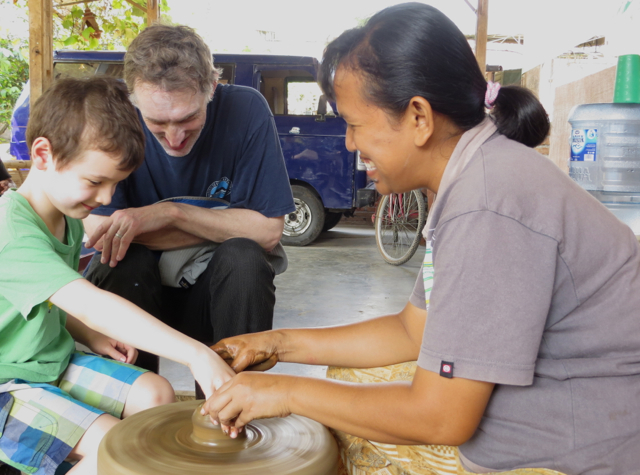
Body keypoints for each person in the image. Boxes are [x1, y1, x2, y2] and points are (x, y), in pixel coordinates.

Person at [203, 3, 640, 475]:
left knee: (337, 417)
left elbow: (442, 417)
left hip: (578, 454)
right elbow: (414, 329)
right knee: (348, 378)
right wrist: (277, 343)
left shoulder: (489, 205)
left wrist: (283, 392)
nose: (350, 143)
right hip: (558, 414)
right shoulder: (474, 178)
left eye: (354, 123)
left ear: (418, 118)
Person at [0, 77, 234, 475]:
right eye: (95, 182)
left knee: (156, 393)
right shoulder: (10, 231)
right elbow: (89, 303)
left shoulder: (65, 218)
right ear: (43, 154)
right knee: (119, 448)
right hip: (9, 384)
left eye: (115, 184)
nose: (107, 199)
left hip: (50, 361)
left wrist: (88, 335)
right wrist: (197, 352)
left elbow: (46, 300)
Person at [82, 25, 295, 371]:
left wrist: (169, 214)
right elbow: (101, 232)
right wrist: (227, 222)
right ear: (133, 99)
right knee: (120, 260)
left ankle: (234, 405)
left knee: (244, 257)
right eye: (156, 122)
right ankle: (135, 405)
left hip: (216, 296)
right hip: (137, 298)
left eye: (189, 118)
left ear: (212, 86)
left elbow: (267, 233)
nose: (174, 137)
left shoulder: (247, 110)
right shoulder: (114, 113)